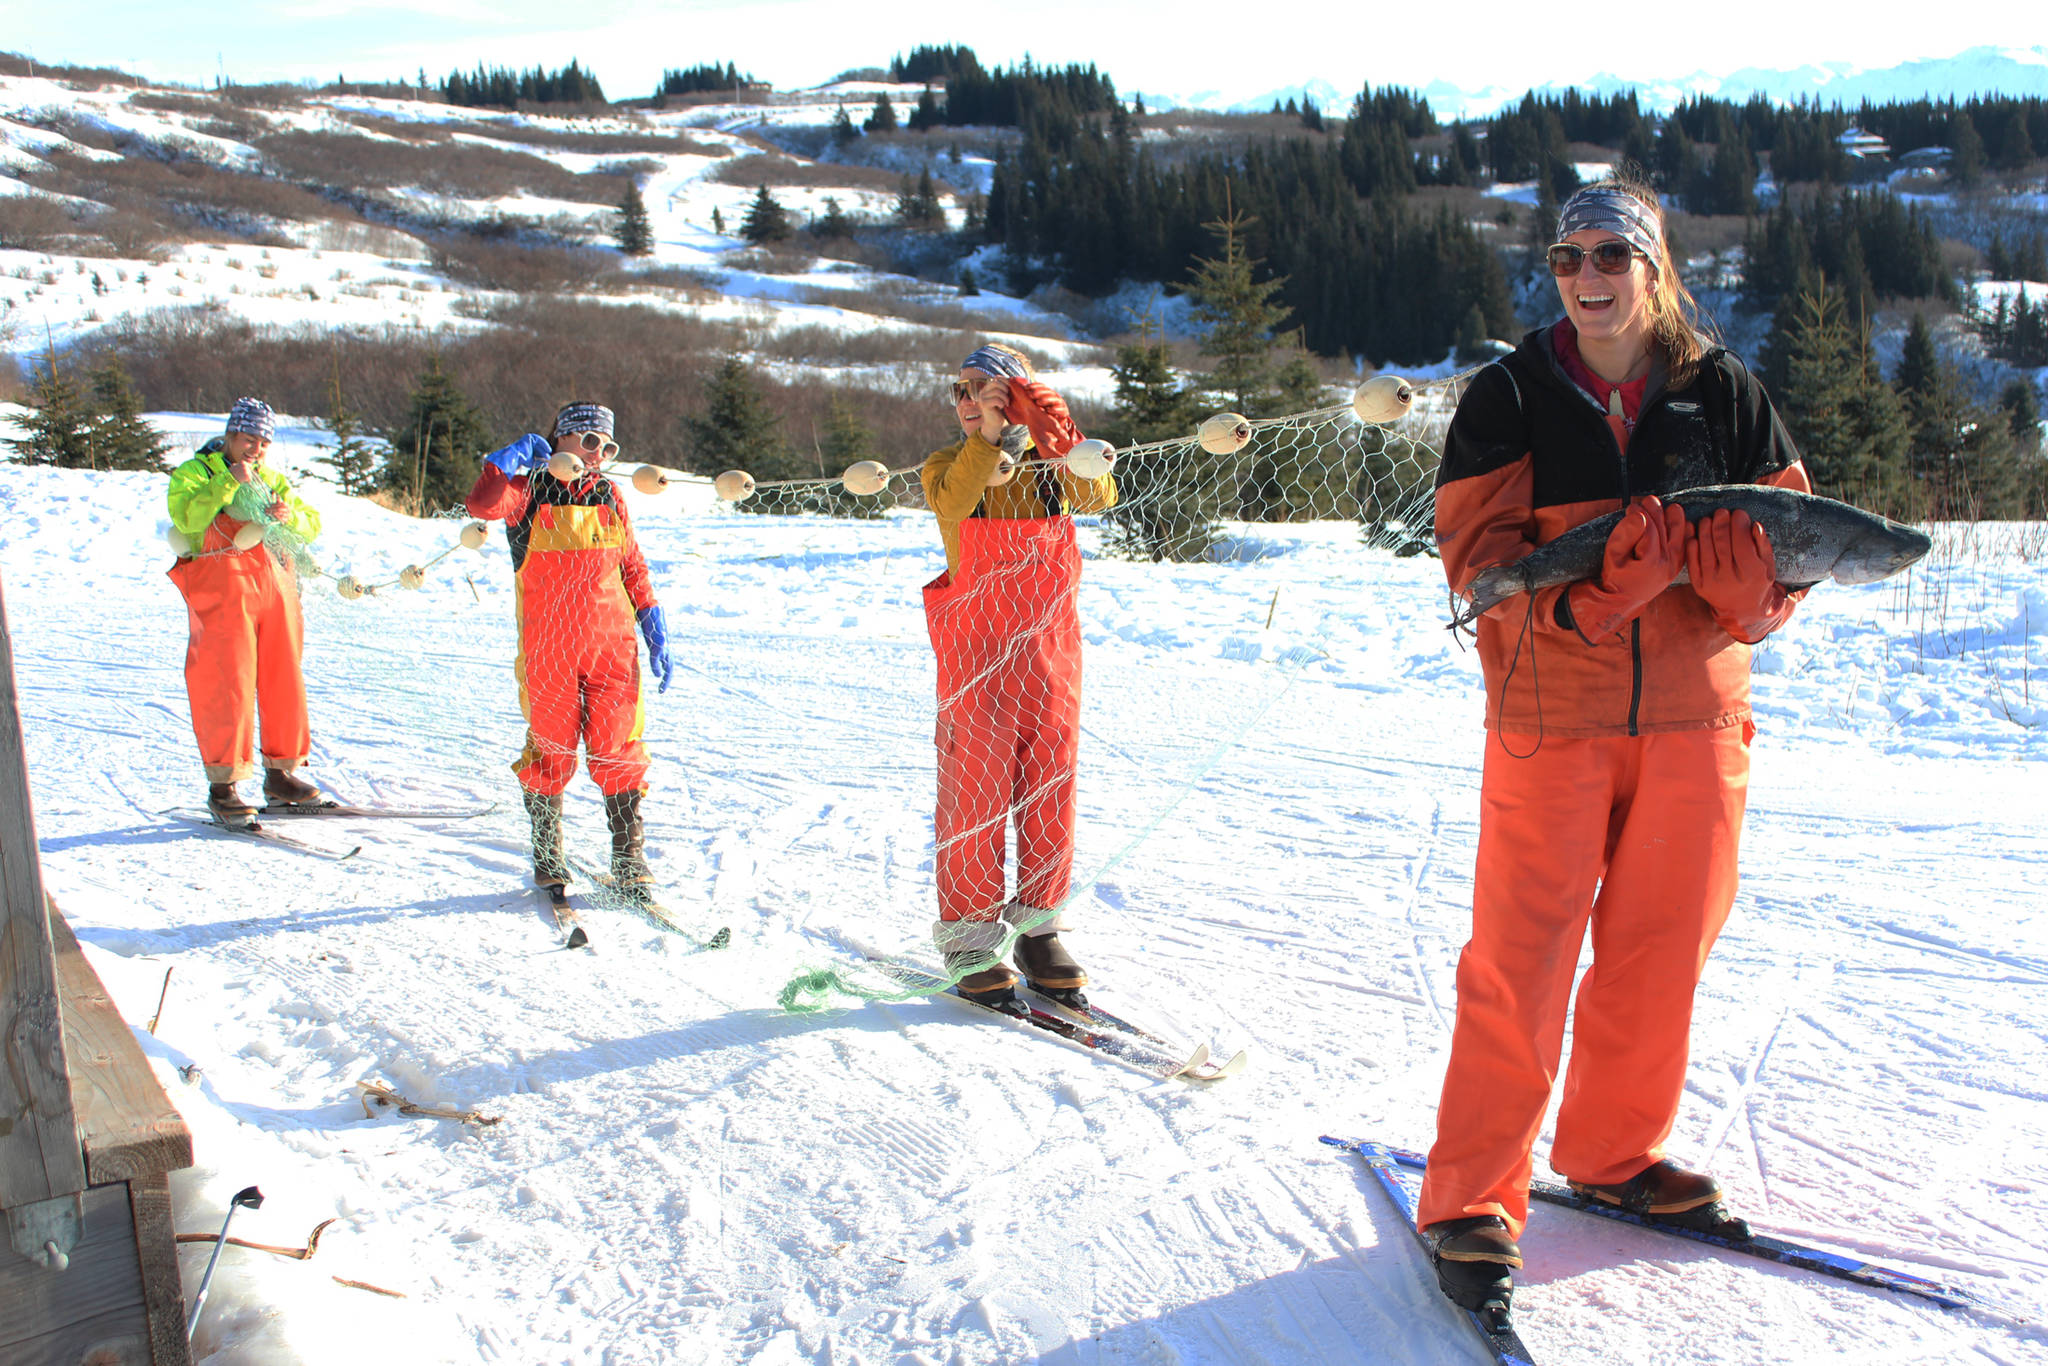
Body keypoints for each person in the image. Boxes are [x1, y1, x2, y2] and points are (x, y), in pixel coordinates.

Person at [1419, 178, 1813, 1323]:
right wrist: (1586, 601)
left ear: (1653, 269)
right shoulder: (1507, 394)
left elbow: (1795, 546)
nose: (1585, 277)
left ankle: (1609, 1150)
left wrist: (1756, 601)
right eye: (1564, 257)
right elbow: (1474, 569)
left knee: (1658, 952)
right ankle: (1469, 1202)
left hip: (1695, 722)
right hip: (1555, 714)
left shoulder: (1722, 391)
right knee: (1520, 961)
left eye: (1608, 255)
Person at [919, 343, 1118, 1006]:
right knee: (974, 796)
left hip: (1051, 656)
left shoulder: (1050, 471)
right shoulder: (949, 464)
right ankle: (970, 941)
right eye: (963, 390)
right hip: (977, 660)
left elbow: (1098, 494)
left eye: (991, 388)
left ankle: (1039, 930)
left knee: (1048, 795)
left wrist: (1062, 436)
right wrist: (997, 435)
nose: (973, 400)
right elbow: (957, 500)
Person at [466, 402, 674, 899]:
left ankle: (628, 857)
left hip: (613, 647)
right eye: (588, 442)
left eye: (607, 446)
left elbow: (632, 564)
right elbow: (481, 506)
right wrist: (505, 461)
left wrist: (652, 619)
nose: (598, 454)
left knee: (618, 749)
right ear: (559, 439)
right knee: (551, 749)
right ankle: (547, 851)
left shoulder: (609, 493)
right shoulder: (525, 493)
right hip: (549, 650)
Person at [166, 397, 325, 822]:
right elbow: (187, 519)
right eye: (249, 438)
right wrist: (228, 484)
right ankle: (224, 785)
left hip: (276, 585)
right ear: (231, 435)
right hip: (223, 588)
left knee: (283, 679)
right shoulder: (194, 473)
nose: (255, 448)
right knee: (226, 681)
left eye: (263, 441)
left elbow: (311, 523)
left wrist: (289, 516)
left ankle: (282, 774)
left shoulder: (272, 477)